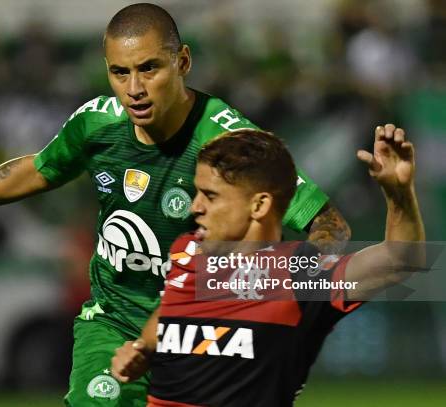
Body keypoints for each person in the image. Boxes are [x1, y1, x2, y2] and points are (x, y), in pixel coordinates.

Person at [0, 3, 350, 406]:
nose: (134, 89)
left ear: (182, 61)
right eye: (120, 72)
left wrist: (287, 314)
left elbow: (329, 228)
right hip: (114, 322)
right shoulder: (98, 123)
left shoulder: (233, 143)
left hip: (204, 335)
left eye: (149, 69)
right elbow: (38, 169)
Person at [110, 124, 425, 406]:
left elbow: (400, 261)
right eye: (197, 193)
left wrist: (398, 195)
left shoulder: (298, 272)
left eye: (210, 195)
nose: (196, 207)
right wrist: (142, 349)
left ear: (259, 205)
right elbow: (169, 312)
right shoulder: (188, 251)